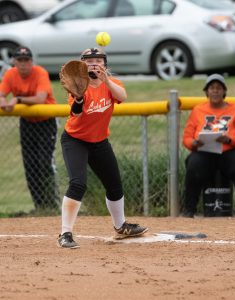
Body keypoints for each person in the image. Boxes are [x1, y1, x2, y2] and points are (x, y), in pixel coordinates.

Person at [58, 47, 148, 249]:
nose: (94, 64)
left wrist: (106, 80)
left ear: (105, 65)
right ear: (81, 67)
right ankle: (65, 234)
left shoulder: (111, 85)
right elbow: (77, 113)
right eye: (89, 61)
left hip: (99, 142)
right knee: (78, 184)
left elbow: (122, 96)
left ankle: (121, 226)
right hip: (75, 140)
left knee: (114, 185)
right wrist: (79, 97)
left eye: (98, 61)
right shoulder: (79, 86)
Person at [182, 74, 235, 218]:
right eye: (211, 88)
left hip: (228, 152)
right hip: (205, 151)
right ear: (206, 92)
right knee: (193, 163)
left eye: (219, 88)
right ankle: (189, 210)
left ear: (224, 92)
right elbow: (186, 138)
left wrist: (229, 139)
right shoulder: (198, 110)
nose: (215, 91)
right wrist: (194, 143)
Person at [0, 46, 60, 211]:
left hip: (46, 121)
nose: (23, 64)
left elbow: (41, 99)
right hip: (27, 123)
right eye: (20, 60)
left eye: (26, 60)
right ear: (14, 62)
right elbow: (1, 94)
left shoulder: (40, 73)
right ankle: (39, 206)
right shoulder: (11, 74)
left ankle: (53, 205)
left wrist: (18, 99)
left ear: (32, 62)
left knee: (44, 162)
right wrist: (3, 101)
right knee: (30, 165)